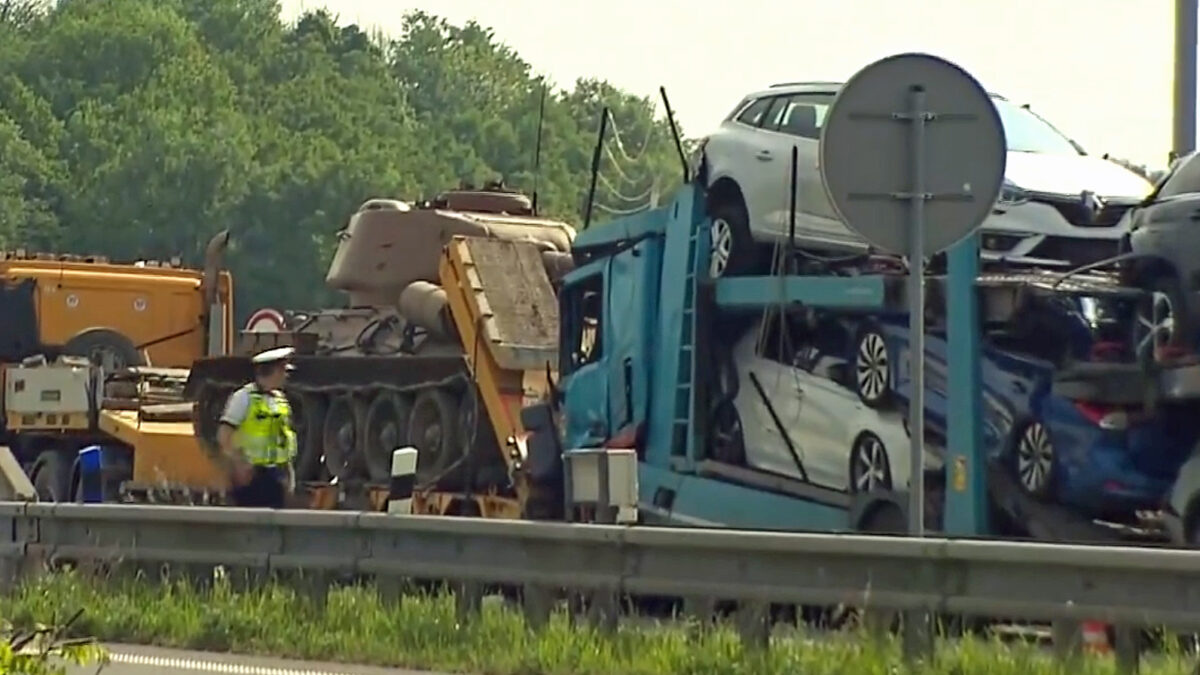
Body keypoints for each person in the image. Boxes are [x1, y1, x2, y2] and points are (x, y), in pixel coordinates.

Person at [217, 346, 298, 508]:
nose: (286, 376)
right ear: (273, 372)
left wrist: (289, 476)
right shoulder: (243, 398)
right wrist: (238, 464)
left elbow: (283, 438)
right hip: (250, 475)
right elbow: (224, 435)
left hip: (275, 475)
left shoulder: (280, 400)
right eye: (283, 371)